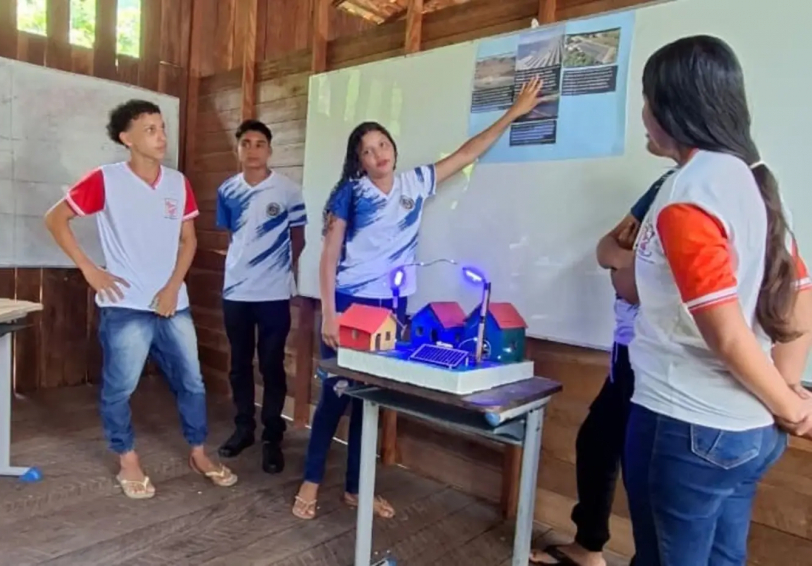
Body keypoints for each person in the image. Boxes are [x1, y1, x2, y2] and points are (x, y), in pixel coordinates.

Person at [290, 76, 544, 520]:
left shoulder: (415, 183)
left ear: (393, 147)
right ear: (358, 161)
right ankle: (310, 482)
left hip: (392, 307)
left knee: (370, 399)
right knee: (335, 394)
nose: (378, 154)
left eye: (382, 144)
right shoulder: (351, 193)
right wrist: (329, 313)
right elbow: (328, 258)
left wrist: (513, 113)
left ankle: (356, 488)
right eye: (367, 151)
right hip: (350, 305)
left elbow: (466, 154)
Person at [622, 35, 812, 565]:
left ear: (671, 108)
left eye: (647, 98)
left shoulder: (688, 193)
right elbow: (800, 289)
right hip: (748, 431)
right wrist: (787, 388)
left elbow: (725, 334)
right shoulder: (752, 181)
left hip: (686, 427)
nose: (643, 113)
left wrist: (792, 406)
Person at [44, 99, 238, 499]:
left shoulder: (177, 183)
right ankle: (127, 459)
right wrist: (89, 269)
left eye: (162, 127)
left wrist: (172, 288)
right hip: (125, 305)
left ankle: (198, 453)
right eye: (150, 129)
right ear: (126, 138)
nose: (161, 136)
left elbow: (188, 240)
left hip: (173, 305)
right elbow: (55, 218)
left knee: (192, 382)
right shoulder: (105, 179)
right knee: (120, 387)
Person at [530, 158, 676, 566]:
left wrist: (629, 264)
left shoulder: (701, 189)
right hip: (626, 348)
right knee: (597, 442)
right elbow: (606, 248)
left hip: (657, 353)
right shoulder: (666, 183)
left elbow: (651, 281)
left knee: (643, 468)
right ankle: (588, 546)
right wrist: (628, 262)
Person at [215, 119, 307, 474]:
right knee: (239, 364)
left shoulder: (287, 190)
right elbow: (233, 238)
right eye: (246, 143)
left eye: (259, 144)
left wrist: (278, 270)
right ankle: (244, 428)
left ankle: (272, 436)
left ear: (269, 150)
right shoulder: (227, 190)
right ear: (238, 149)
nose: (253, 150)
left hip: (273, 294)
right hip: (236, 292)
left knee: (271, 364)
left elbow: (299, 238)